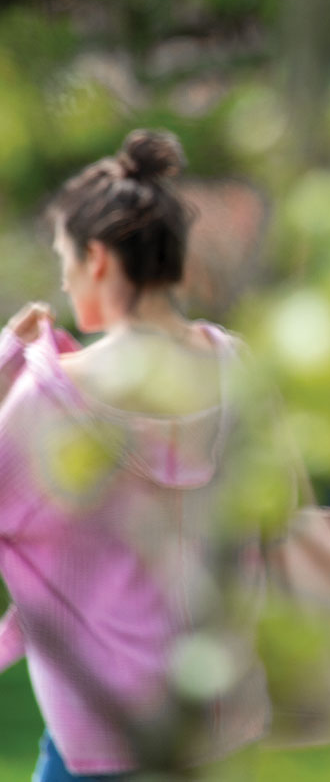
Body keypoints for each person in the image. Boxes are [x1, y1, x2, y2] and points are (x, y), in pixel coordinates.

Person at [0, 130, 272, 780]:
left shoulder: (51, 396)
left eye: (66, 262)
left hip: (98, 733)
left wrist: (7, 355)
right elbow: (275, 513)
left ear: (96, 259)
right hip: (213, 719)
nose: (65, 285)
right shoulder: (239, 371)